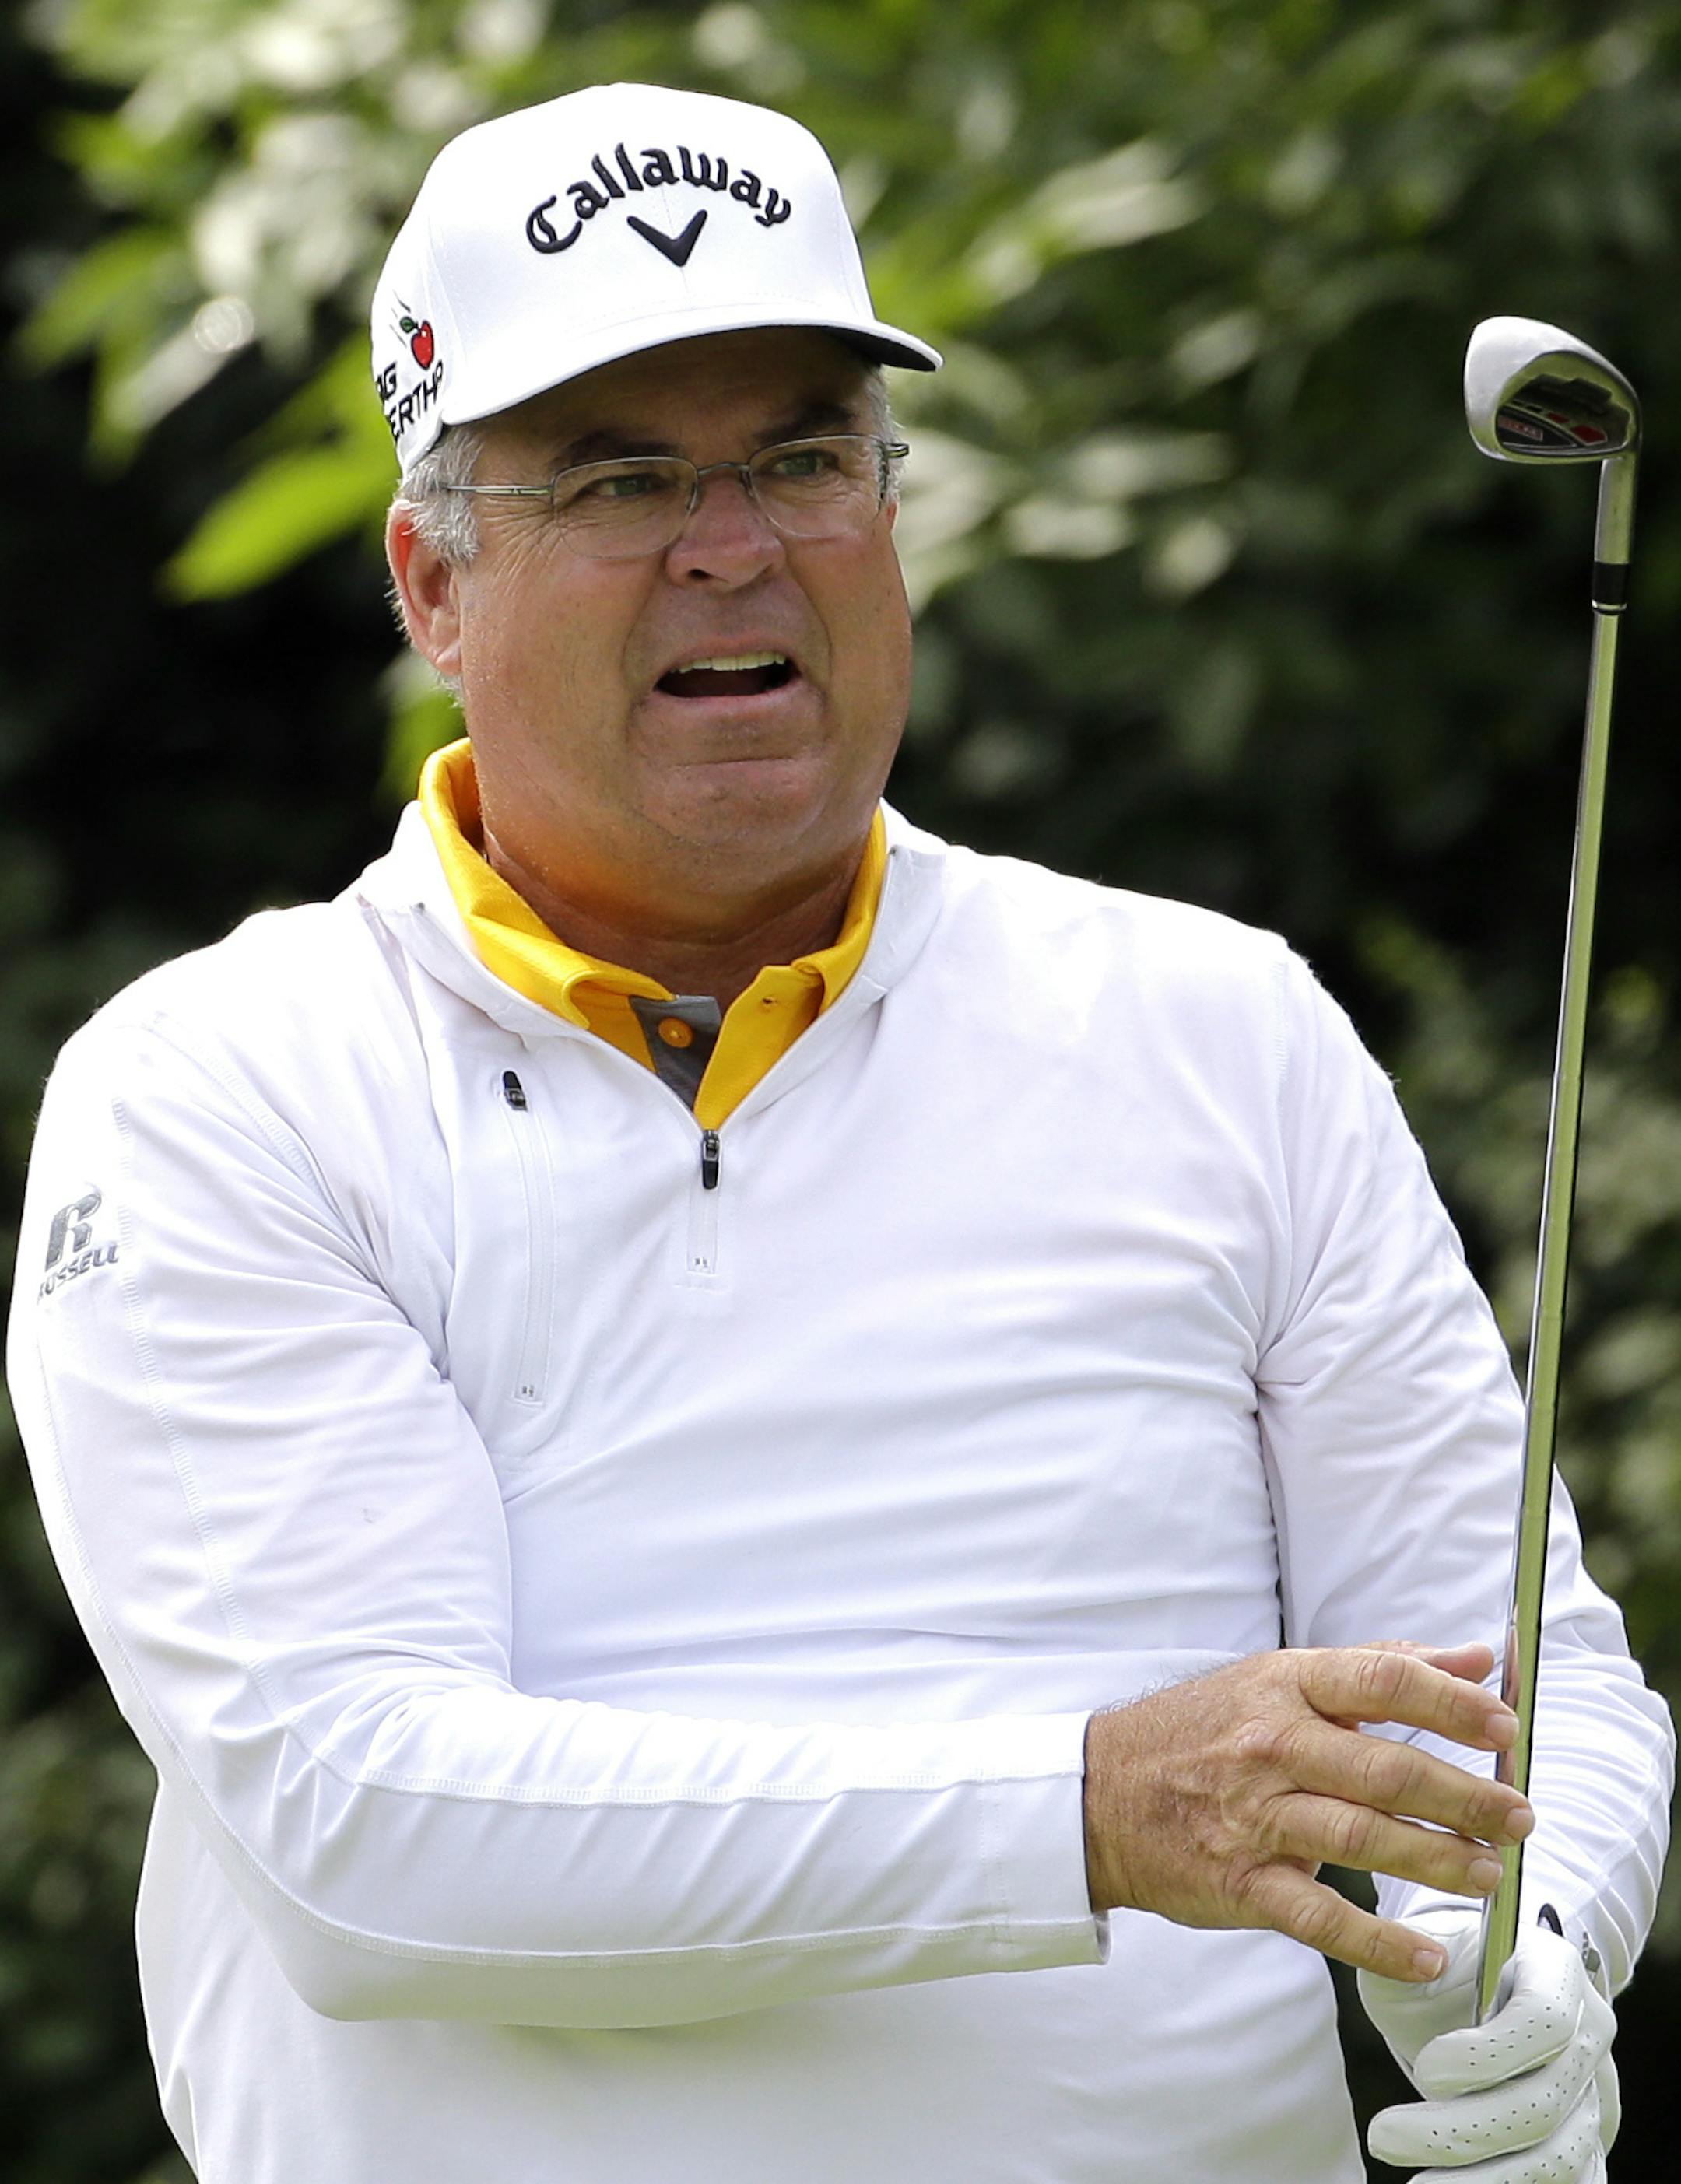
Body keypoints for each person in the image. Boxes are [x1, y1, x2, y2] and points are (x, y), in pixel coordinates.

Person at [7, 80, 1670, 2184]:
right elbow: (366, 1831)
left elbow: (1523, 1688)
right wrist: (1088, 1810)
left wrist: (1535, 1949)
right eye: (620, 476)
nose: (734, 545)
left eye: (804, 458)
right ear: (435, 586)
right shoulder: (222, 1087)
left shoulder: (1218, 1026)